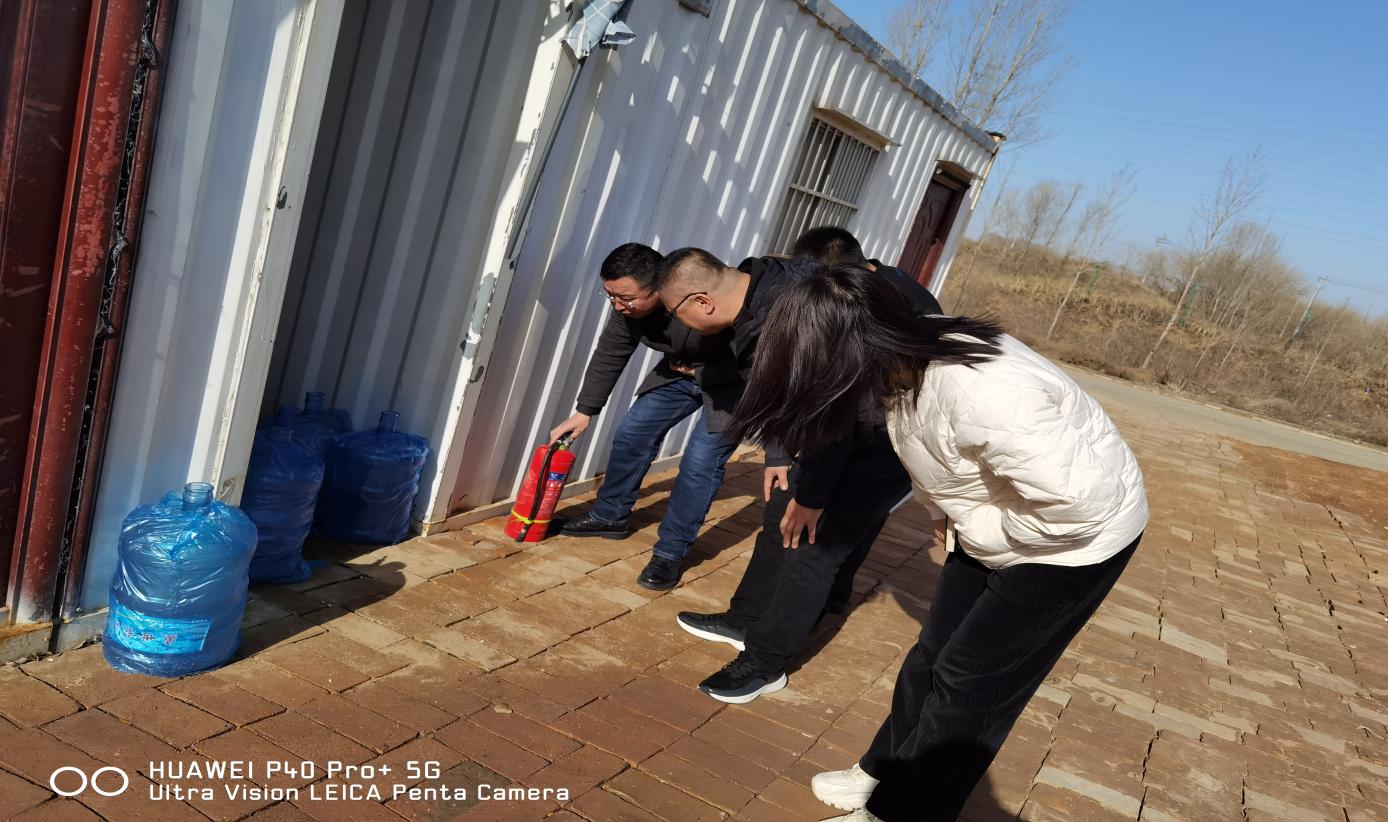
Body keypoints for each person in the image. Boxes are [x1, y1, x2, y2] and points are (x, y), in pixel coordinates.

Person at [729, 264, 1148, 822]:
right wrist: (950, 515)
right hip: (1010, 519)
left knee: (971, 682)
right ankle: (881, 770)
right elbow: (938, 452)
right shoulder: (901, 363)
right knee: (931, 656)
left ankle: (900, 812)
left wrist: (981, 530)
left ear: (852, 352)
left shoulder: (985, 392)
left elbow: (1079, 504)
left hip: (1073, 542)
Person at [665, 232, 942, 705]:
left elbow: (838, 417)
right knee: (784, 517)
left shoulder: (843, 307)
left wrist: (812, 497)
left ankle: (765, 662)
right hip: (852, 429)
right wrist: (791, 474)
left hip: (886, 441)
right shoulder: (817, 296)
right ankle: (747, 618)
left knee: (814, 547)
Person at [549, 243, 741, 590]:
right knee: (632, 432)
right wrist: (585, 411)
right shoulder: (626, 310)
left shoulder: (706, 297)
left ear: (660, 289)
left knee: (700, 463)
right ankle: (609, 516)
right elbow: (611, 352)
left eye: (626, 298)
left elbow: (759, 357)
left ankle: (670, 552)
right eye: (610, 295)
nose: (617, 305)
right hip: (678, 374)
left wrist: (703, 372)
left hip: (733, 385)